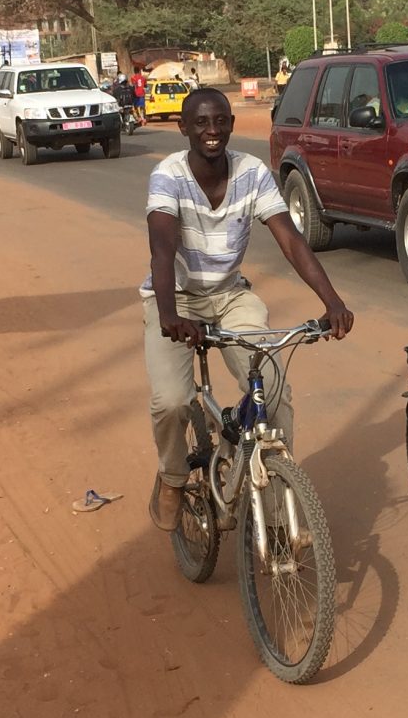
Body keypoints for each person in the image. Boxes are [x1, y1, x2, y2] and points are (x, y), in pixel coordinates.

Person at [143, 87, 353, 532]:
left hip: (230, 295)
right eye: (200, 123)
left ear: (232, 125)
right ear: (183, 128)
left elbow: (292, 241)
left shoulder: (252, 172)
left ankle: (278, 515)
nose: (212, 131)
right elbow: (162, 251)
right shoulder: (168, 176)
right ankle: (173, 477)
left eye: (220, 121)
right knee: (172, 401)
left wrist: (332, 302)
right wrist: (168, 314)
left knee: (273, 392)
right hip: (176, 298)